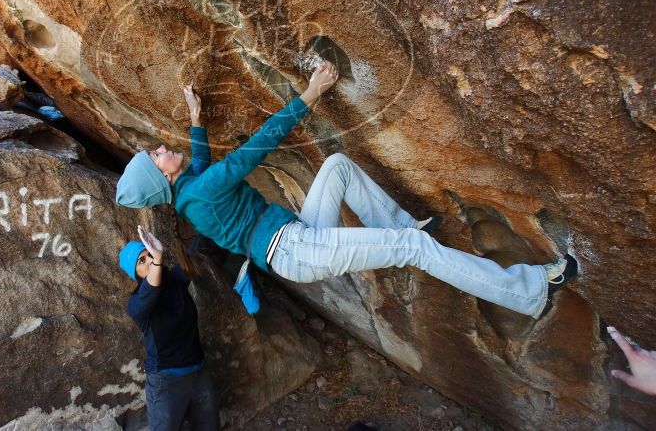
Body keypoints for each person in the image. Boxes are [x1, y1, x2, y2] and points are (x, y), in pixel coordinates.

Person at [116, 60, 577, 318]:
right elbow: (256, 148)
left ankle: (398, 224)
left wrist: (197, 119)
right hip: (297, 248)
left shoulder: (190, 192)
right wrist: (310, 93)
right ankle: (530, 288)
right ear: (162, 178)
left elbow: (200, 163)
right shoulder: (200, 192)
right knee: (412, 248)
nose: (159, 148)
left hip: (295, 238)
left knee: (337, 165)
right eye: (155, 157)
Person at [120, 225, 220, 430]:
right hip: (166, 382)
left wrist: (204, 216)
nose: (149, 260)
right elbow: (150, 290)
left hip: (198, 372)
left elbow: (198, 251)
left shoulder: (175, 280)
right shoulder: (137, 304)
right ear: (135, 274)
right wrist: (157, 258)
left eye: (149, 254)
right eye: (142, 261)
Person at [608, 326, 656, 396]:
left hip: (646, 354)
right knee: (629, 350)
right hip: (639, 363)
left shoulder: (650, 387)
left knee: (633, 347)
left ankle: (615, 331)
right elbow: (629, 381)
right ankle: (612, 330)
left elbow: (630, 381)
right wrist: (616, 373)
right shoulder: (650, 388)